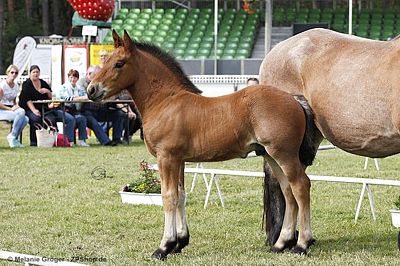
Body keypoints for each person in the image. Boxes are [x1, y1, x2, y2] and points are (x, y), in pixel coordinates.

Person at [78, 65, 124, 146]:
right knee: (93, 122)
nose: (99, 77)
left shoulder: (99, 82)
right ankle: (106, 141)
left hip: (100, 109)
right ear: (89, 74)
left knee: (118, 114)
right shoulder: (81, 82)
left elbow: (110, 94)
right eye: (97, 75)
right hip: (87, 111)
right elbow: (84, 96)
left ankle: (117, 139)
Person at [19, 65, 61, 146]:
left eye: (37, 72)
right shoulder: (26, 84)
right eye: (33, 72)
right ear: (30, 73)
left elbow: (51, 97)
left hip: (43, 108)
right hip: (29, 108)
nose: (35, 74)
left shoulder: (43, 82)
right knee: (36, 118)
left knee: (51, 118)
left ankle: (51, 141)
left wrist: (47, 91)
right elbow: (27, 100)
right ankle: (34, 142)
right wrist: (34, 110)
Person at [56, 69, 90, 147]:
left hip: (74, 110)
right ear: (68, 78)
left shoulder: (79, 88)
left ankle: (82, 140)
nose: (73, 79)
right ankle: (69, 141)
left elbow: (85, 96)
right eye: (71, 77)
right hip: (63, 109)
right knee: (71, 119)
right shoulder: (64, 87)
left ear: (77, 79)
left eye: (75, 77)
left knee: (82, 118)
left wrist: (78, 98)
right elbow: (67, 98)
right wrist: (78, 98)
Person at [0, 65, 29, 148]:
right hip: (2, 109)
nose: (14, 74)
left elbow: (14, 101)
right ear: (8, 73)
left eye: (16, 73)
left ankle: (13, 137)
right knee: (21, 112)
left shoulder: (16, 86)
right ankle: (12, 137)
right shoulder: (2, 86)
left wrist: (16, 106)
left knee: (26, 119)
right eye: (12, 72)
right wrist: (10, 109)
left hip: (10, 109)